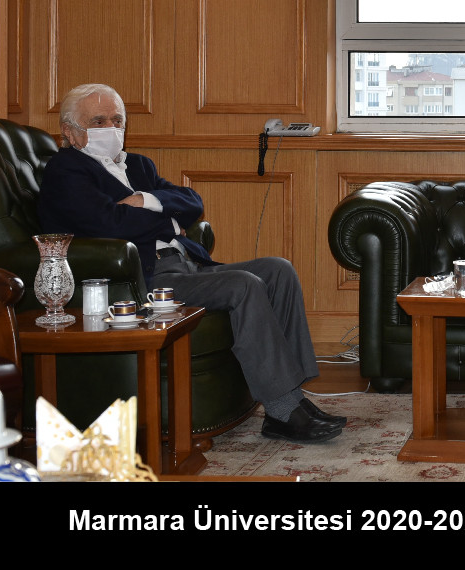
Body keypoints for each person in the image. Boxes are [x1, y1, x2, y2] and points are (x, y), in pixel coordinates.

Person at [38, 84, 345, 443]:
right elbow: (110, 224)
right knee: (244, 285)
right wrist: (167, 220)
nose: (111, 128)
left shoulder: (139, 165)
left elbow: (192, 201)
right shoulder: (66, 171)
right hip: (144, 279)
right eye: (98, 121)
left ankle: (293, 396)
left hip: (186, 264)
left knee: (279, 269)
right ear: (71, 131)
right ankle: (283, 411)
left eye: (117, 120)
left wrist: (143, 201)